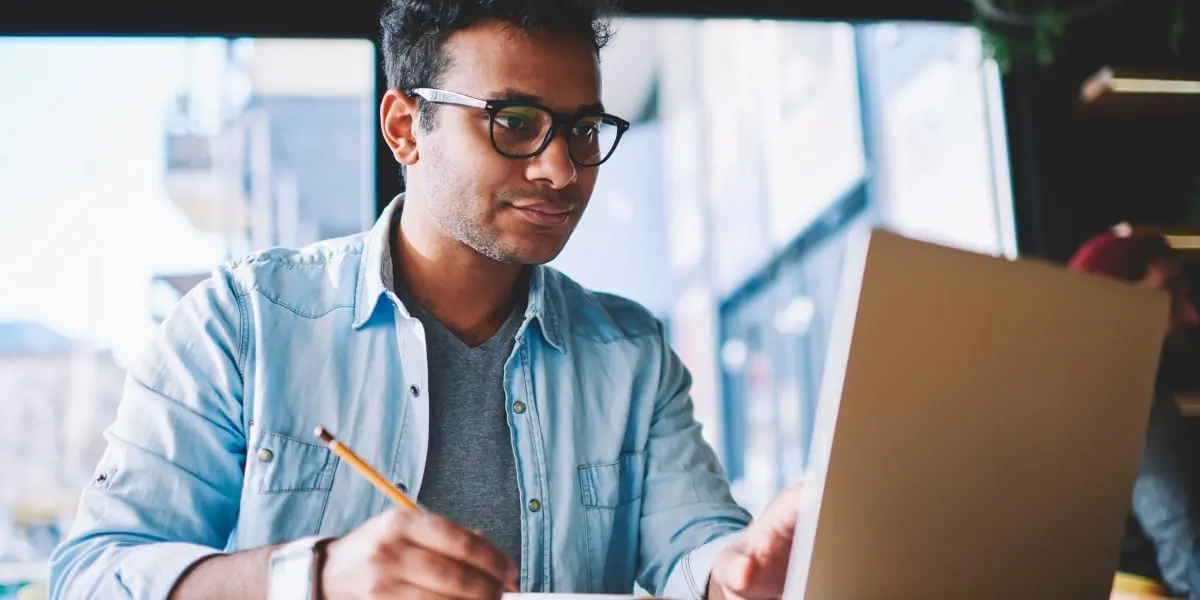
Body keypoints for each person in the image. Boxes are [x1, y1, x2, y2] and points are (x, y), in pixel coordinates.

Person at [48, 1, 806, 599]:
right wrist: (315, 579)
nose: (560, 170)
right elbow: (91, 577)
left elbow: (696, 546)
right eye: (514, 124)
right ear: (405, 128)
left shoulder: (631, 354)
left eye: (582, 130)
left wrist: (739, 568)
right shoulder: (240, 325)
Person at [1068, 229, 1200, 599]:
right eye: (1169, 293)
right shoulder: (1132, 398)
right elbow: (1184, 546)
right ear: (1112, 302)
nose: (1190, 315)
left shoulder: (1064, 393)